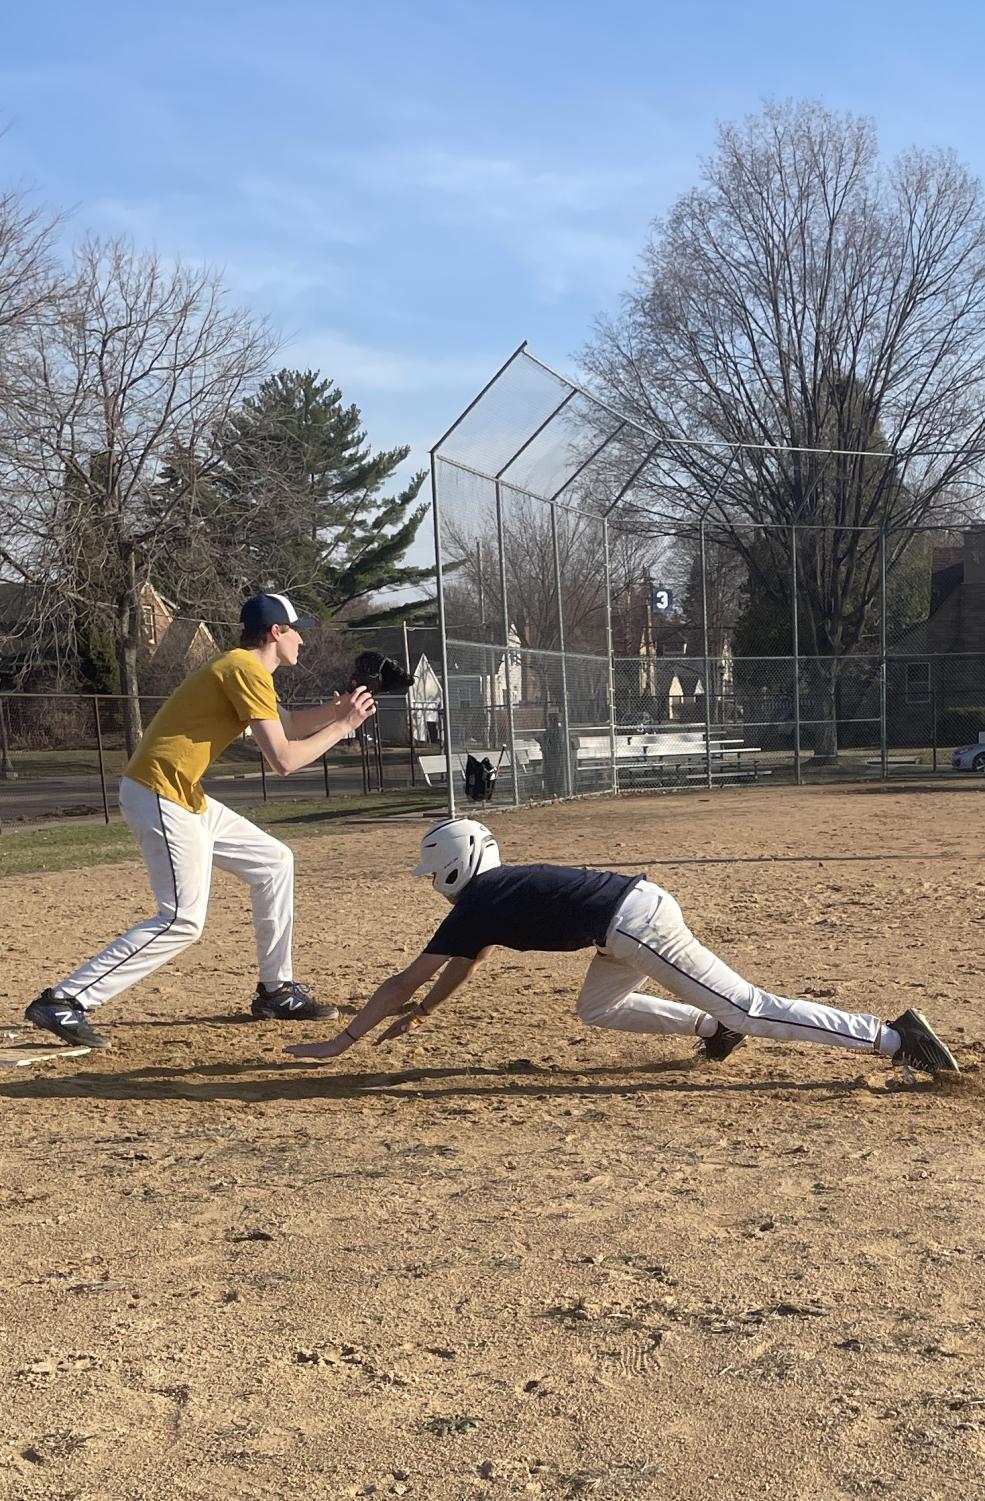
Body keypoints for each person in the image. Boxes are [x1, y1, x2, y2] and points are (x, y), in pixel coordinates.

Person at [285, 817, 960, 1077]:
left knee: (751, 1006)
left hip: (631, 925)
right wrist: (427, 1014)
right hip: (623, 920)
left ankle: (896, 1040)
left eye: (434, 875)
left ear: (456, 866)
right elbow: (464, 964)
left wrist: (342, 1042)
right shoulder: (491, 898)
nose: (435, 887)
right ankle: (708, 1026)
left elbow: (406, 978)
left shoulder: (481, 898)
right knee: (598, 1009)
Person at [25, 592, 376, 1049]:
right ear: (275, 632)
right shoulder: (244, 668)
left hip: (182, 793)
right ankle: (64, 1000)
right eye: (296, 630)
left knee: (274, 861)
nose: (302, 641)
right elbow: (284, 759)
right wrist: (342, 727)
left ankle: (276, 991)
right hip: (159, 791)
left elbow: (286, 724)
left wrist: (339, 709)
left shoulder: (245, 669)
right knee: (182, 920)